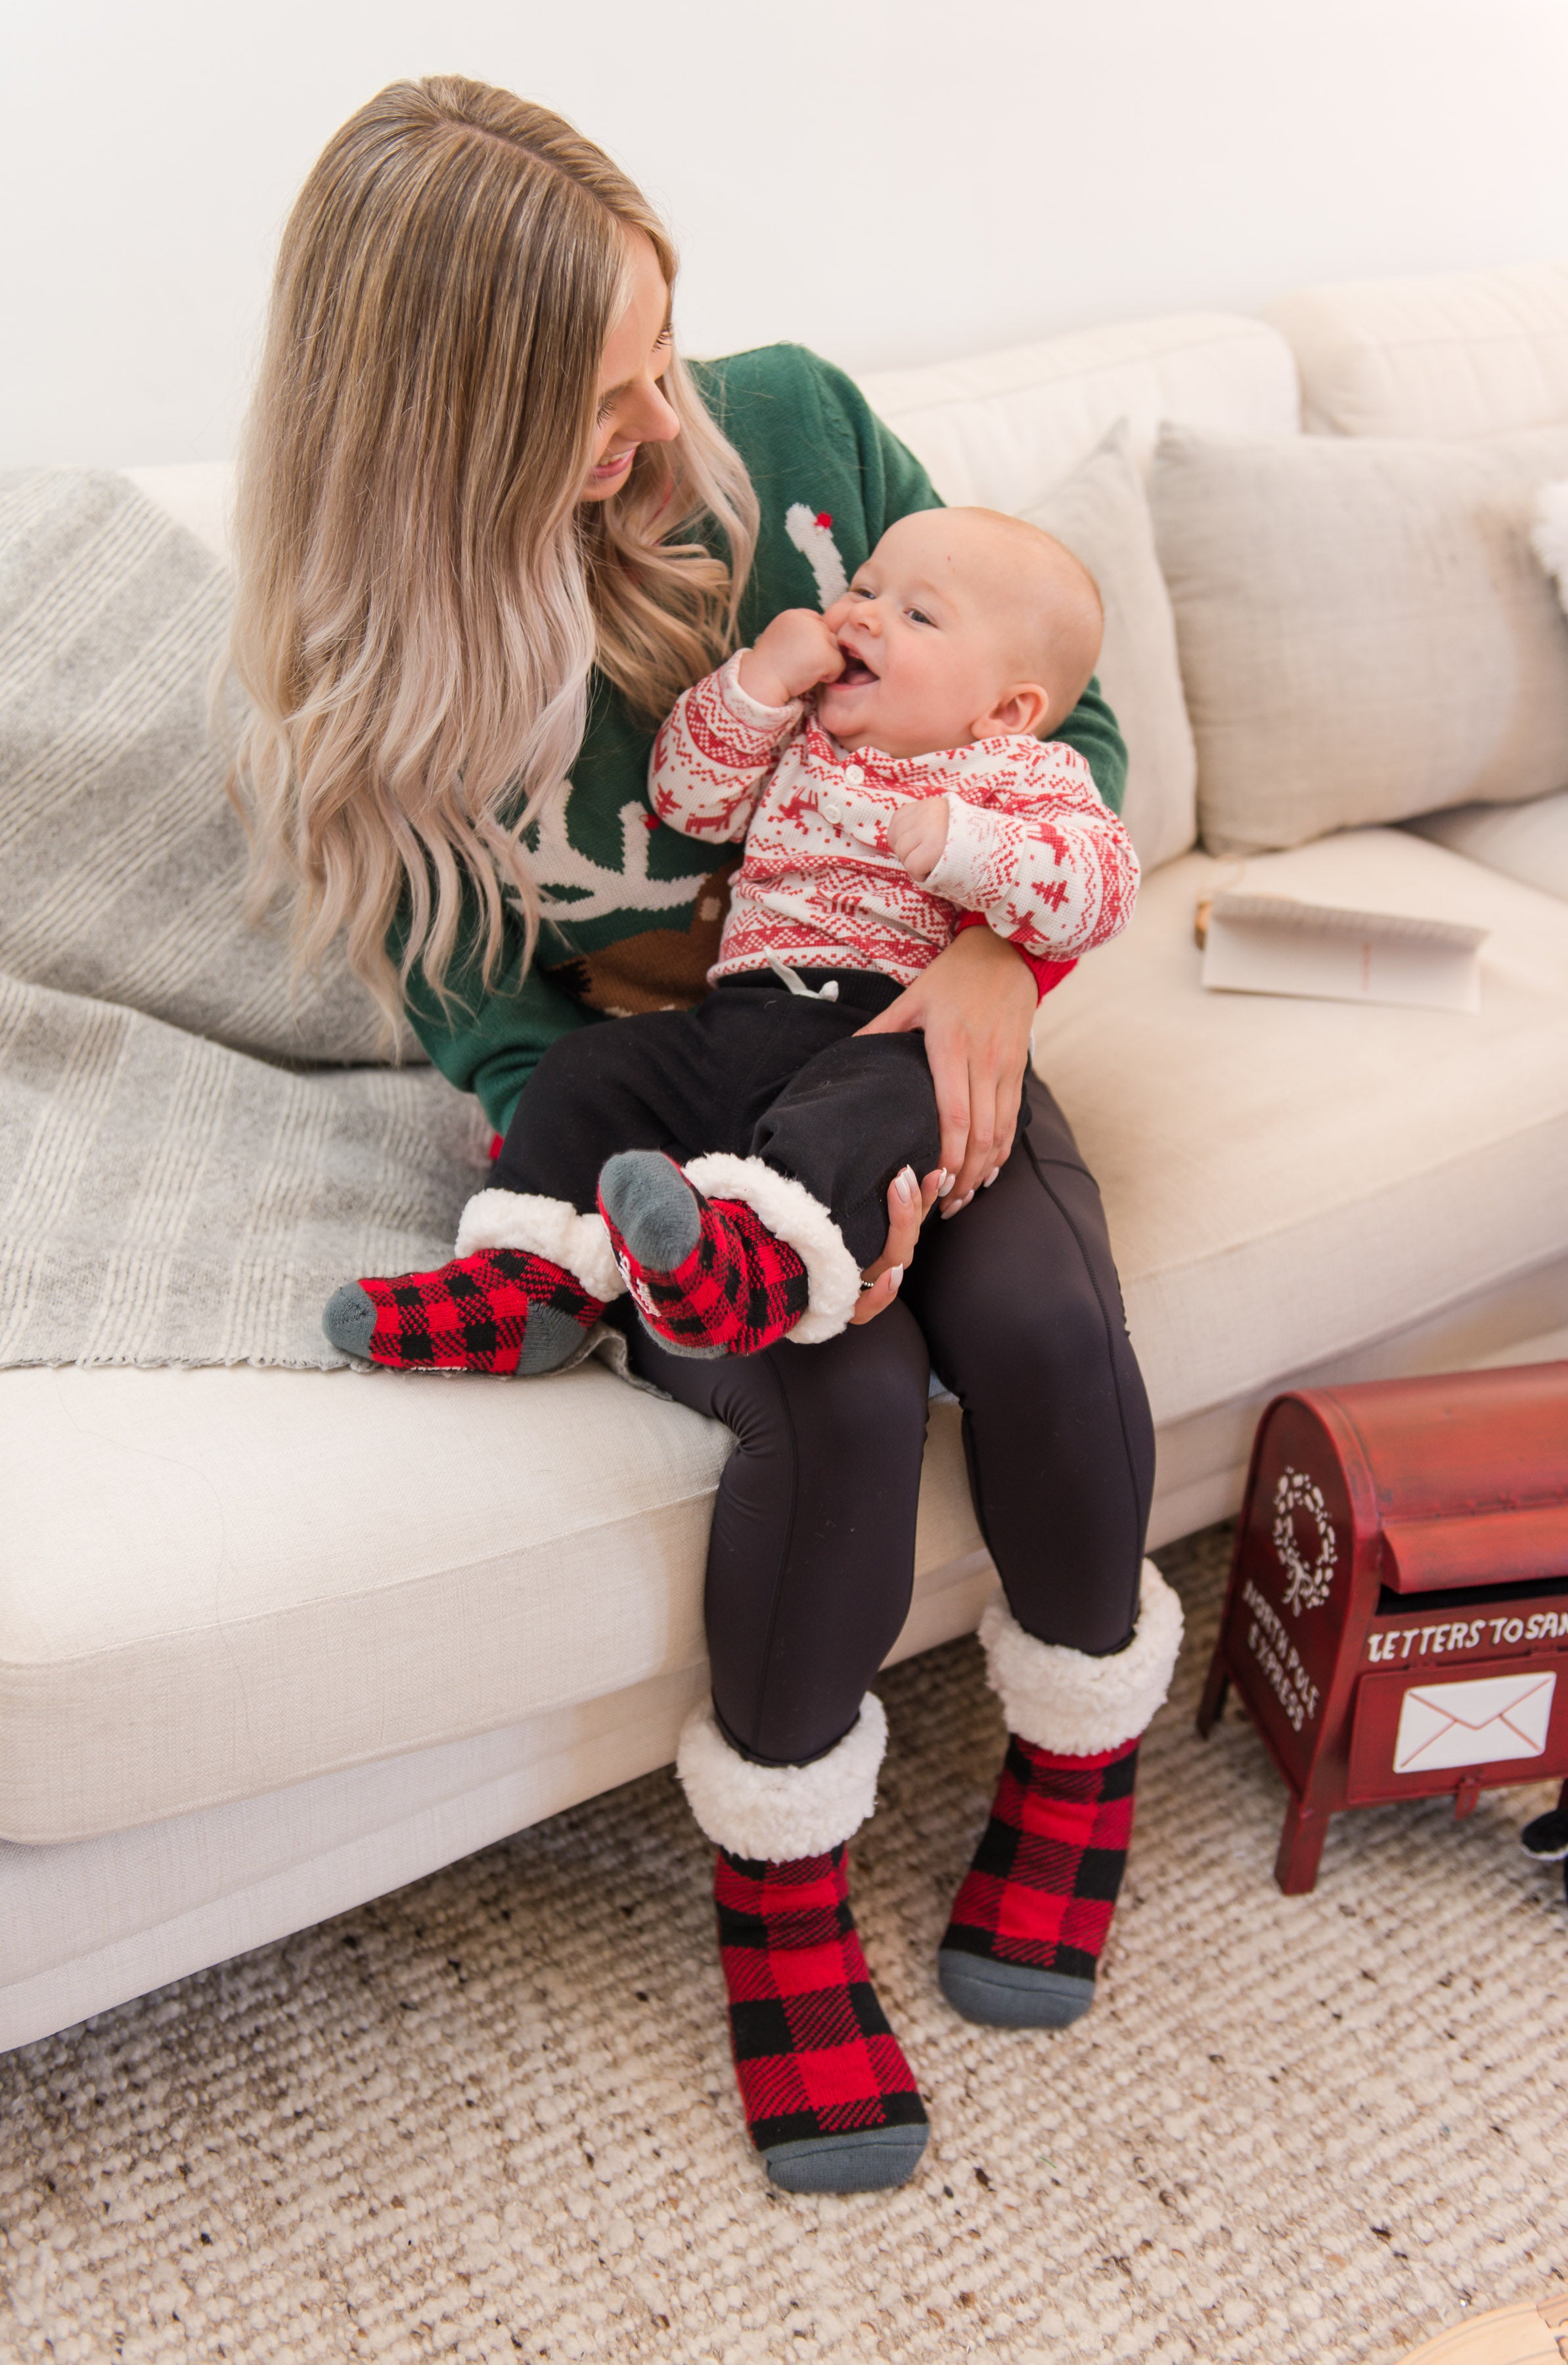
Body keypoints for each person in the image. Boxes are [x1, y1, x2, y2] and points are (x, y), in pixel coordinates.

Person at [229, 75, 1182, 2198]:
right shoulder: (362, 672)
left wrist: (994, 973)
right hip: (688, 1122)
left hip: (909, 1019)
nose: (654, 429)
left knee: (1035, 1319)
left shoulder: (808, 439)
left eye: (658, 359)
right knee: (833, 1405)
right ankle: (779, 1905)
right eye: (590, 397)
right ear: (436, 426)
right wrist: (585, 1168)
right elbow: (489, 1019)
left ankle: (1077, 1774)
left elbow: (1063, 722)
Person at [323, 504, 1138, 1370]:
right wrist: (756, 684)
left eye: (916, 613)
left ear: (1007, 710)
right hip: (738, 1015)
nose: (861, 613)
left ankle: (745, 1270)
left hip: (878, 1031)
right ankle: (524, 1286)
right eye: (864, 587)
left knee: (884, 1111)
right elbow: (688, 797)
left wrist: (974, 849)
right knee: (585, 1073)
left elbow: (1102, 888)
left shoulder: (1018, 772)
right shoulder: (800, 728)